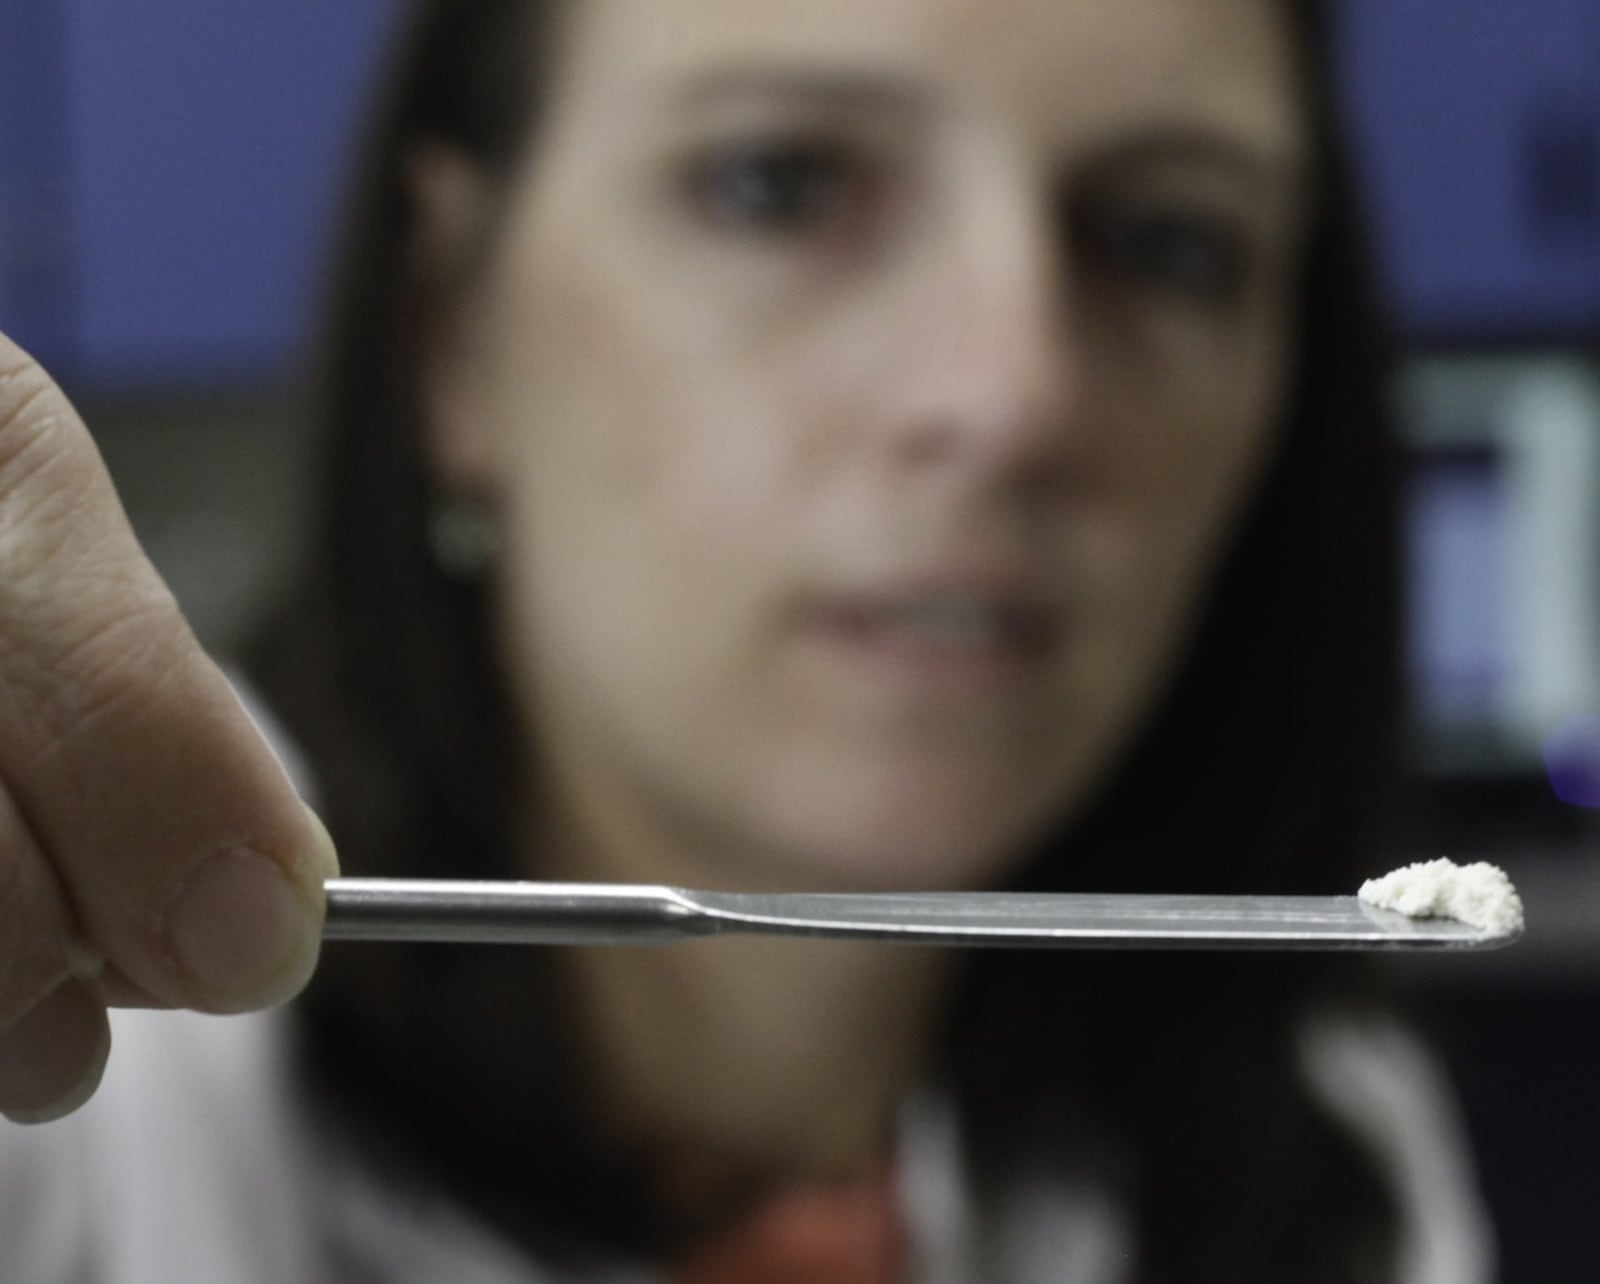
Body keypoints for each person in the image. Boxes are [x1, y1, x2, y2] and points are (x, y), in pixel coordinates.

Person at [0, 0, 1496, 1280]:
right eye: (780, 185)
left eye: (1170, 242)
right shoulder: (78, 1100)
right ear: (449, 325)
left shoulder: (1323, 1158)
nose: (1011, 394)